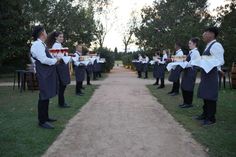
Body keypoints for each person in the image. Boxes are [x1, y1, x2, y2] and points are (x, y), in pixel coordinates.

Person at [31, 25, 59, 129]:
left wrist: (53, 59)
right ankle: (42, 121)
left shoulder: (41, 44)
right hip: (43, 73)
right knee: (43, 95)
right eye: (46, 31)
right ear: (42, 33)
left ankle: (45, 117)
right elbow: (43, 59)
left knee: (46, 95)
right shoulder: (37, 45)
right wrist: (55, 60)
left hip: (45, 72)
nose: (47, 33)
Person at [196, 27, 224, 125]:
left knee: (210, 95)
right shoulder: (208, 45)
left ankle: (211, 118)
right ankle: (205, 114)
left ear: (212, 34)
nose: (203, 35)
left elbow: (220, 60)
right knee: (205, 94)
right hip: (206, 74)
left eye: (205, 32)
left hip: (211, 74)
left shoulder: (216, 45)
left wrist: (206, 60)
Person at [46, 31, 71, 108]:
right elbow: (56, 57)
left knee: (63, 85)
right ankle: (61, 103)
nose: (62, 38)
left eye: (62, 37)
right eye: (60, 37)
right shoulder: (56, 45)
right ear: (56, 37)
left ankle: (62, 102)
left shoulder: (59, 45)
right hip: (60, 66)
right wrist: (65, 57)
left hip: (62, 65)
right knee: (62, 85)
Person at [179, 38, 200, 108]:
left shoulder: (196, 52)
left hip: (191, 71)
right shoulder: (191, 52)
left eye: (190, 43)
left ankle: (189, 103)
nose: (188, 45)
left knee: (189, 87)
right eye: (189, 43)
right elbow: (187, 61)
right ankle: (185, 102)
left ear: (195, 44)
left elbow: (192, 63)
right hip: (187, 70)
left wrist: (183, 64)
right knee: (184, 86)